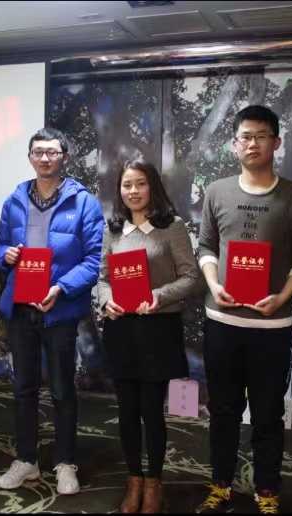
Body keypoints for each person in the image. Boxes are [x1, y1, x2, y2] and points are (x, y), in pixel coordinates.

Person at [195, 105, 292, 514]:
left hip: (273, 325)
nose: (253, 143)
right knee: (223, 411)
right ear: (234, 144)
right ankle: (220, 486)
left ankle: (268, 492)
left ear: (276, 142)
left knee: (268, 414)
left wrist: (283, 296)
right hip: (223, 322)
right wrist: (214, 284)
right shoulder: (217, 191)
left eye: (261, 136)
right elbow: (206, 245)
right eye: (245, 137)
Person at [0, 128, 104, 495]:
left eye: (52, 152)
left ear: (64, 158)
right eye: (38, 152)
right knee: (23, 387)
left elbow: (94, 259)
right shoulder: (14, 199)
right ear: (30, 157)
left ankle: (65, 462)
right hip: (21, 308)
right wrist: (6, 255)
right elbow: (0, 248)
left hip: (60, 308)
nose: (44, 158)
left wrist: (61, 288)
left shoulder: (83, 202)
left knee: (61, 389)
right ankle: (26, 459)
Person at [97, 160, 200, 513]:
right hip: (121, 329)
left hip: (157, 329)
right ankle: (134, 480)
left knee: (151, 412)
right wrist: (106, 300)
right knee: (126, 412)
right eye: (127, 185)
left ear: (152, 186)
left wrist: (159, 295)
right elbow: (103, 277)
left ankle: (154, 482)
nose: (133, 191)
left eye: (140, 183)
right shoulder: (113, 228)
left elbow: (190, 277)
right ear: (119, 190)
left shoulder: (172, 226)